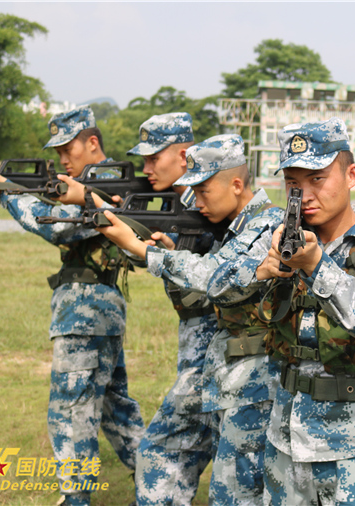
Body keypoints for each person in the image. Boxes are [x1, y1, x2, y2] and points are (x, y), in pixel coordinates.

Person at [205, 117, 355, 506]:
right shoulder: (280, 240)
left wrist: (317, 264)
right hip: (285, 444)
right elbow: (213, 287)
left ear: (351, 175)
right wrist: (259, 272)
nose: (305, 193)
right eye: (294, 184)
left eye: (318, 178)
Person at [0, 105, 145, 506]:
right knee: (112, 409)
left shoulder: (103, 182)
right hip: (98, 309)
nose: (62, 158)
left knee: (70, 409)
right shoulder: (92, 181)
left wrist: (7, 194)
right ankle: (159, 479)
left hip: (85, 310)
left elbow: (61, 227)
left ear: (93, 142)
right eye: (59, 150)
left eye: (69, 148)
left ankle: (77, 497)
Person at [97, 133, 284, 504]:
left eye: (203, 191)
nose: (197, 202)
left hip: (256, 383)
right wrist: (170, 254)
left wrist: (138, 249)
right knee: (161, 455)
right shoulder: (230, 227)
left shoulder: (268, 224)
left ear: (235, 183)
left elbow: (217, 278)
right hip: (220, 373)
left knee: (238, 494)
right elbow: (202, 288)